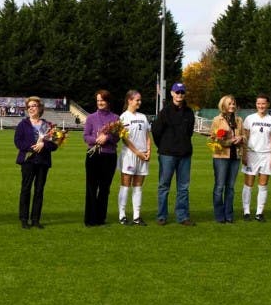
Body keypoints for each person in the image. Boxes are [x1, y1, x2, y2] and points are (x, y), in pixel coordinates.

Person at [152, 82, 196, 226]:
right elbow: (156, 131)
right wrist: (164, 146)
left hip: (185, 154)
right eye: (177, 92)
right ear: (172, 93)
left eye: (182, 92)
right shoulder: (164, 112)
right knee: (164, 186)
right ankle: (162, 216)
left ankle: (183, 216)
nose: (179, 95)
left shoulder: (189, 112)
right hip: (167, 154)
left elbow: (189, 132)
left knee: (183, 188)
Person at [14, 96, 58, 229]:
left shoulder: (48, 125)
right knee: (26, 189)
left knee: (39, 190)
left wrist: (44, 145)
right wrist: (32, 147)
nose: (31, 108)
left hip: (43, 161)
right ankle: (24, 219)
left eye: (34, 106)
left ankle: (35, 219)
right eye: (29, 107)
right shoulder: (23, 124)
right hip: (28, 161)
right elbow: (18, 142)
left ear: (40, 108)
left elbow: (54, 145)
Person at [82, 89, 119, 227]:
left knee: (104, 188)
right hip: (93, 156)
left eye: (102, 100)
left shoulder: (115, 118)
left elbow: (117, 137)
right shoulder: (91, 118)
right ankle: (90, 219)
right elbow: (86, 136)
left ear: (108, 101)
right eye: (98, 100)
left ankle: (100, 218)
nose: (100, 103)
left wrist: (107, 137)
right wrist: (97, 140)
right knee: (91, 188)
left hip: (109, 156)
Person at [241, 94, 271, 221]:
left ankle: (259, 213)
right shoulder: (249, 119)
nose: (261, 106)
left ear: (267, 104)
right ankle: (246, 211)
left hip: (266, 155)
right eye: (258, 103)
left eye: (263, 103)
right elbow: (245, 138)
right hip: (252, 154)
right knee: (248, 184)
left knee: (263, 185)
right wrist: (244, 154)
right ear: (256, 104)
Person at [117, 89, 151, 226]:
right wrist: (137, 152)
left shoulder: (143, 116)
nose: (139, 102)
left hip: (143, 155)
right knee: (125, 185)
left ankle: (137, 216)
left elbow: (147, 135)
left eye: (140, 100)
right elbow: (124, 139)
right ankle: (122, 215)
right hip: (130, 155)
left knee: (138, 186)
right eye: (137, 100)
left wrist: (148, 150)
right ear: (129, 100)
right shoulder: (123, 117)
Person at [210, 95, 244, 224]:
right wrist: (226, 140)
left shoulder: (239, 120)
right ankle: (219, 215)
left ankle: (229, 215)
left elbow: (245, 136)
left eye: (233, 103)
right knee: (219, 187)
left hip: (235, 157)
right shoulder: (217, 120)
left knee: (230, 188)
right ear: (223, 105)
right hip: (221, 156)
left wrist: (241, 138)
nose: (232, 106)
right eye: (229, 104)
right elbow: (213, 138)